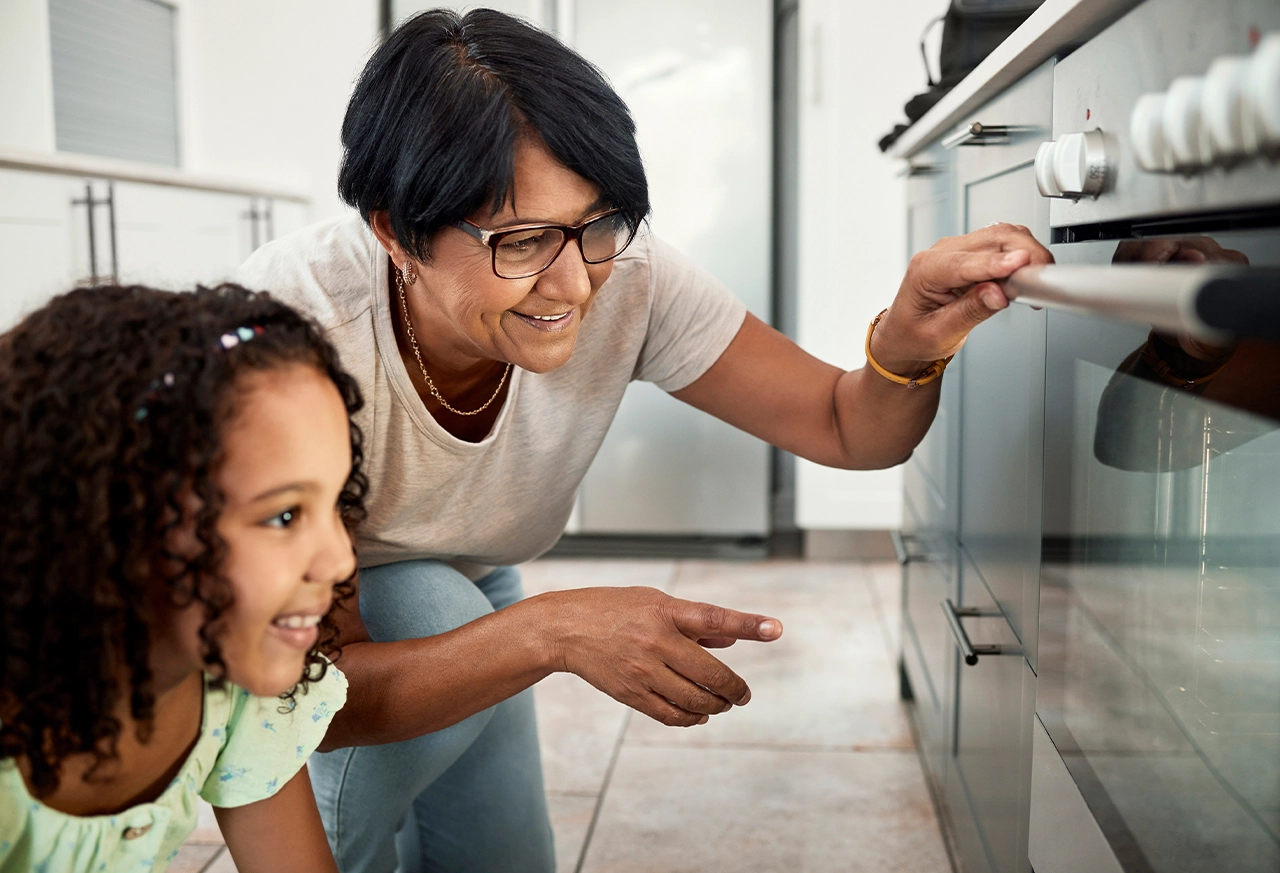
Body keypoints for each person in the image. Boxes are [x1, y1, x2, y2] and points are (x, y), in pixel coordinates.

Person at [236, 8, 1053, 872]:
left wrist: (908, 344)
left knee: (505, 853)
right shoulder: (295, 330)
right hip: (318, 617)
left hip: (478, 570)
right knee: (426, 632)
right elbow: (299, 686)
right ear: (395, 232)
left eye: (596, 224)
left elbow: (847, 425)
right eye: (519, 241)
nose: (573, 282)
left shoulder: (625, 272)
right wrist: (547, 632)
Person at [0, 284, 366, 873]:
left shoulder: (234, 692)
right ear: (114, 520)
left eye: (335, 504)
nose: (340, 561)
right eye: (283, 515)